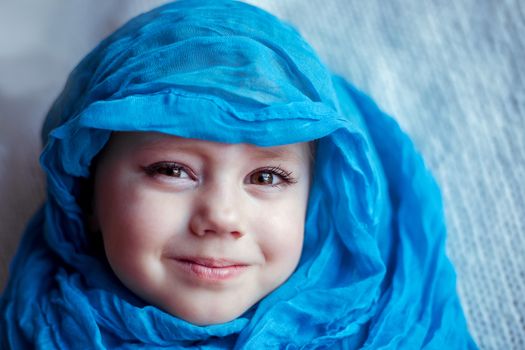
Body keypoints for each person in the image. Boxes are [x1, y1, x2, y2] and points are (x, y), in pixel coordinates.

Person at [0, 0, 477, 348]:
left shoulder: (392, 326)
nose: (222, 216)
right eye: (172, 170)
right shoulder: (42, 326)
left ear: (316, 202)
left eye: (267, 177)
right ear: (87, 193)